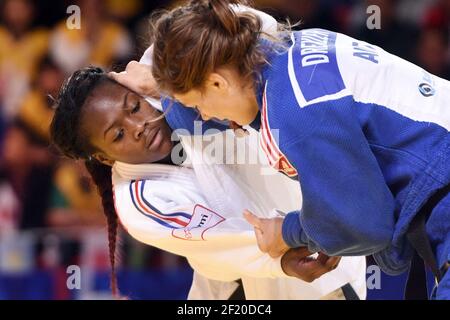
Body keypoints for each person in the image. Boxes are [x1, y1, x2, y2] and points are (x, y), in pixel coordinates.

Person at [140, 0, 449, 299]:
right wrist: (154, 87)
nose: (204, 117)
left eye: (198, 104)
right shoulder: (295, 49)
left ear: (218, 83)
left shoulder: (295, 113)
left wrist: (287, 231)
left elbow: (365, 226)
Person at [50, 66, 367, 299]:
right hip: (250, 287)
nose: (139, 126)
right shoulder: (140, 202)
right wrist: (282, 260)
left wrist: (160, 77)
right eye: (118, 135)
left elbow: (220, 26)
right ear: (105, 158)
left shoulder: (169, 85)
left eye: (134, 107)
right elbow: (221, 237)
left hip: (327, 243)